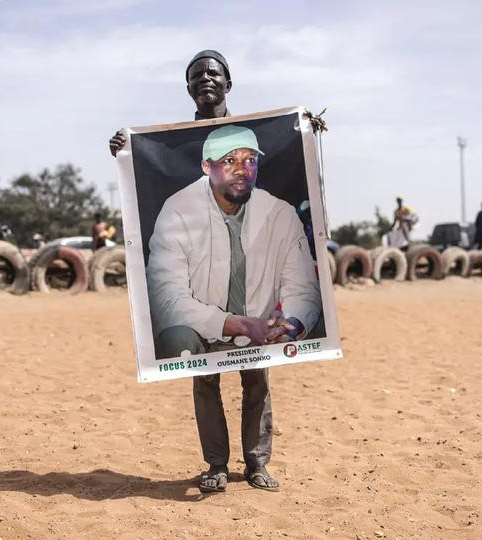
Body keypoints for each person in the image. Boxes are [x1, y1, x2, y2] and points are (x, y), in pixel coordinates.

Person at [109, 50, 324, 495]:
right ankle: (216, 464)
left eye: (249, 160)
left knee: (257, 380)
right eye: (229, 161)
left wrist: (293, 320)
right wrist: (126, 153)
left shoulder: (278, 213)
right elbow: (166, 293)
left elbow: (303, 284)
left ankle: (257, 463)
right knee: (199, 372)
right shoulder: (177, 210)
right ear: (207, 167)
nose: (241, 168)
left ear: (229, 83)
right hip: (206, 318)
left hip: (257, 320)